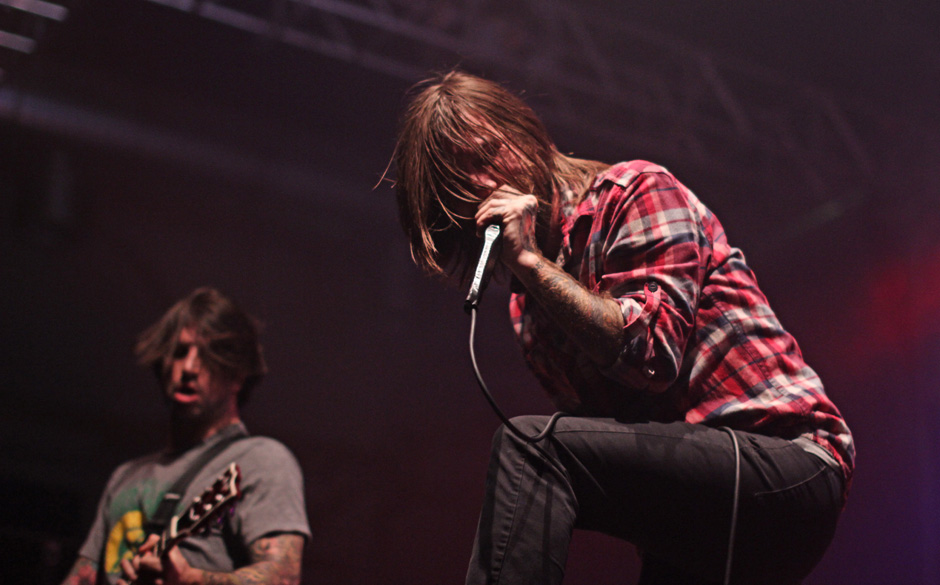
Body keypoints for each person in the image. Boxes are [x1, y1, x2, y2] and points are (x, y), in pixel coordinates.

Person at [390, 70, 854, 584]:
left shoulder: (635, 191)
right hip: (698, 519)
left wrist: (529, 262)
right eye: (460, 188)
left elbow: (650, 358)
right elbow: (616, 441)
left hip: (786, 463)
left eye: (484, 156)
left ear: (527, 135)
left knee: (533, 448)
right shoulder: (529, 315)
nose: (481, 186)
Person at [60, 287, 310, 585]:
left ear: (237, 375)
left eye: (208, 355)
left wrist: (190, 579)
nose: (189, 368)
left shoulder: (262, 460)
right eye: (179, 352)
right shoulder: (125, 477)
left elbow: (283, 578)